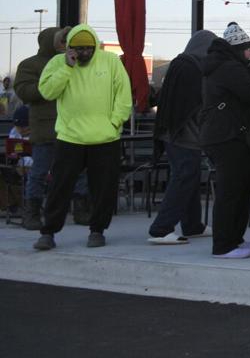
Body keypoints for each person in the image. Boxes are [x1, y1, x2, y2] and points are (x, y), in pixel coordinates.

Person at [32, 24, 132, 251]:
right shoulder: (58, 63)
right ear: (69, 48)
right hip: (70, 137)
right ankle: (48, 232)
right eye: (79, 49)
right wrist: (67, 67)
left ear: (95, 46)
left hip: (105, 139)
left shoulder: (111, 62)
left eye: (88, 48)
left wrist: (114, 123)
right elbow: (47, 92)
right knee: (59, 188)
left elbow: (123, 96)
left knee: (104, 189)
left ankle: (97, 230)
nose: (84, 53)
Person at [200, 23, 250, 259]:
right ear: (238, 49)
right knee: (233, 190)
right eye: (248, 49)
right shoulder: (229, 68)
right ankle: (224, 244)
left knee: (243, 185)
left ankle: (234, 239)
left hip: (225, 135)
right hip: (228, 137)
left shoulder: (221, 65)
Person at [12, 27, 88, 230]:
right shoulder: (30, 65)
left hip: (72, 127)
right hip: (46, 129)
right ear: (50, 41)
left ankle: (81, 209)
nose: (65, 43)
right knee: (39, 172)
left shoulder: (75, 62)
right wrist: (50, 84)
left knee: (79, 171)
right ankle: (33, 213)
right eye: (62, 40)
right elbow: (24, 91)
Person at [147, 30, 215, 244]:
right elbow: (202, 101)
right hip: (185, 134)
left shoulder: (179, 64)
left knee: (190, 178)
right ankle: (161, 229)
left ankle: (192, 225)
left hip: (171, 133)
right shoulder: (195, 69)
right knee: (184, 178)